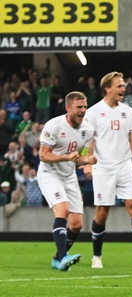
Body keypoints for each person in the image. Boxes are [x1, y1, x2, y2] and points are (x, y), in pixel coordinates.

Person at [84, 72, 132, 269]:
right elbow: (88, 140)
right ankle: (96, 256)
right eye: (119, 86)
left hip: (124, 165)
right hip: (103, 167)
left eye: (123, 85)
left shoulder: (129, 112)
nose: (123, 89)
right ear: (107, 89)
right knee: (102, 212)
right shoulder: (93, 112)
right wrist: (87, 163)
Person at [37, 92, 96, 271]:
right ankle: (63, 257)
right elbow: (43, 155)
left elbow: (81, 157)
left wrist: (87, 162)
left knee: (77, 224)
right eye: (79, 107)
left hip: (69, 177)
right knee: (63, 211)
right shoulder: (54, 125)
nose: (83, 110)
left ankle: (57, 259)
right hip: (50, 174)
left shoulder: (88, 130)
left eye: (85, 107)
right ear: (68, 107)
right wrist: (66, 157)